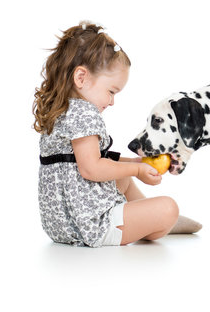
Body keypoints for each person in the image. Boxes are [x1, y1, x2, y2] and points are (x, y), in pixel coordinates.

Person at [33, 21, 201, 247]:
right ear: (81, 77)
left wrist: (132, 162)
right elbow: (91, 168)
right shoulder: (85, 114)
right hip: (89, 225)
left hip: (61, 223)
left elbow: (78, 162)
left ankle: (145, 215)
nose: (112, 101)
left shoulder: (63, 110)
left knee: (121, 173)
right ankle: (157, 221)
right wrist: (138, 168)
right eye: (111, 91)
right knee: (169, 207)